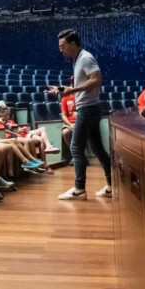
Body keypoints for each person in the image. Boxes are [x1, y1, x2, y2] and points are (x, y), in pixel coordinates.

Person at [51, 28, 108, 200]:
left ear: (73, 44)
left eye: (62, 46)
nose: (60, 50)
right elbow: (85, 83)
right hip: (90, 108)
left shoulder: (85, 58)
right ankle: (112, 185)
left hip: (87, 109)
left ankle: (79, 188)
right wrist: (64, 90)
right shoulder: (77, 59)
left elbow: (96, 80)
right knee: (98, 149)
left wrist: (71, 90)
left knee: (76, 147)